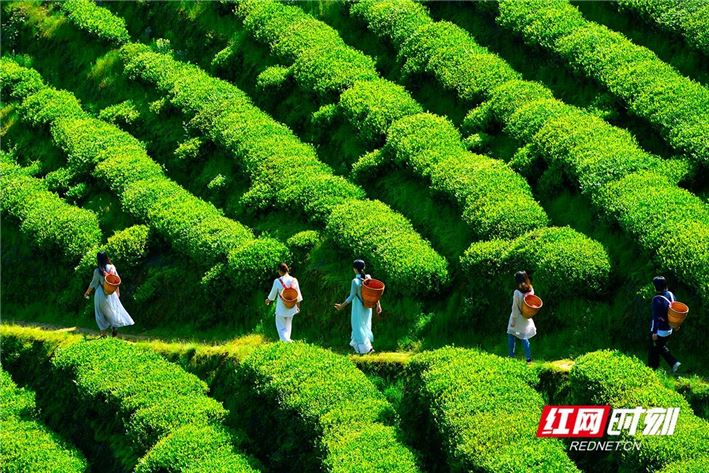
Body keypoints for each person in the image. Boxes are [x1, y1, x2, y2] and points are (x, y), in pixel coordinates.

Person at [335, 259, 381, 354]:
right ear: (363, 268)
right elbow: (374, 292)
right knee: (365, 326)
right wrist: (378, 305)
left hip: (358, 308)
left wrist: (341, 306)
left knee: (357, 327)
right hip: (368, 307)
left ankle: (365, 350)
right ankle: (367, 348)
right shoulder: (368, 277)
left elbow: (351, 296)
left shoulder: (355, 281)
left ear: (355, 269)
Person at [83, 252, 134, 337]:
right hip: (112, 293)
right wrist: (117, 293)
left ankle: (103, 334)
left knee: (99, 313)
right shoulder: (112, 267)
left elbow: (93, 283)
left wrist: (87, 293)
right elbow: (117, 280)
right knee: (112, 311)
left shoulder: (97, 271)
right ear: (107, 257)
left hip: (100, 293)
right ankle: (114, 326)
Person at [648, 276, 681, 373]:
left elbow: (656, 317)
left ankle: (652, 369)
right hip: (669, 329)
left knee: (653, 349)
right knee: (660, 347)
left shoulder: (656, 299)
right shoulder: (671, 294)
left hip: (660, 331)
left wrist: (654, 332)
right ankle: (672, 364)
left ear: (656, 287)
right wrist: (676, 324)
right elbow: (675, 310)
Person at [265, 263, 302, 342]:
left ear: (280, 271)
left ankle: (288, 342)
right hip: (292, 307)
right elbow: (298, 295)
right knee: (288, 326)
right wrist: (298, 307)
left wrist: (268, 300)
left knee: (281, 327)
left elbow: (272, 295)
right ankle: (287, 342)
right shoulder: (294, 280)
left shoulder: (277, 281)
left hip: (281, 308)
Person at [507, 271, 536, 363]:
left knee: (511, 334)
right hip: (526, 317)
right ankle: (528, 359)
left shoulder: (517, 292)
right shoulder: (531, 289)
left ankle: (511, 356)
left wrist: (513, 321)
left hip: (517, 317)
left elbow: (515, 307)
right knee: (524, 337)